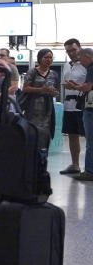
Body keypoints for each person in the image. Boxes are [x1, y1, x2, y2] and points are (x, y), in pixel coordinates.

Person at [20, 48, 59, 142]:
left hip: (47, 109)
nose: (49, 60)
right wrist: (41, 89)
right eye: (46, 57)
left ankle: (43, 154)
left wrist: (54, 93)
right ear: (40, 58)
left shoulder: (54, 74)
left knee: (45, 133)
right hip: (32, 107)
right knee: (32, 132)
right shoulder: (32, 72)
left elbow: (57, 91)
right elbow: (25, 88)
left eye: (50, 57)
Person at [60, 38, 86, 175]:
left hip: (84, 105)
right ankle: (75, 164)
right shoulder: (66, 65)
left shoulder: (87, 64)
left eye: (73, 50)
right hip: (69, 106)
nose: (71, 53)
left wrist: (75, 86)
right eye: (68, 51)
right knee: (72, 135)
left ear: (80, 48)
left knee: (89, 136)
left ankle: (90, 167)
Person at [74, 48, 93, 182]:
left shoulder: (91, 68)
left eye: (81, 60)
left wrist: (75, 87)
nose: (81, 63)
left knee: (90, 141)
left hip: (91, 109)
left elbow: (88, 87)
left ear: (87, 56)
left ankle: (89, 171)